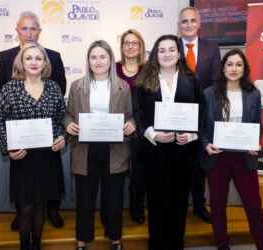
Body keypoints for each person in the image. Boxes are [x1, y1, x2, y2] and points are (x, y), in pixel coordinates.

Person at [0, 11, 66, 230]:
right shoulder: (9, 86)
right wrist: (8, 146)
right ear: (21, 62)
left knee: (41, 204)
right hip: (22, 154)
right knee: (25, 207)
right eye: (28, 58)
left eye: (38, 58)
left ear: (45, 63)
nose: (33, 62)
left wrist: (62, 136)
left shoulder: (53, 86)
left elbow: (60, 116)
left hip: (46, 153)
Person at [133, 34, 204, 250]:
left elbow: (202, 112)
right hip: (154, 152)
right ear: (155, 54)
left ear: (179, 53)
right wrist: (153, 134)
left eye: (171, 49)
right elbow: (138, 112)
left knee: (179, 204)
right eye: (162, 50)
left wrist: (191, 135)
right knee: (155, 205)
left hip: (183, 152)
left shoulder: (192, 81)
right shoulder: (144, 81)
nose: (167, 54)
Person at [65, 40, 135, 250]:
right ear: (88, 60)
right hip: (85, 151)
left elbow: (130, 116)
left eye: (102, 56)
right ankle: (82, 241)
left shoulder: (123, 87)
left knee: (114, 200)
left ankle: (116, 240)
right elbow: (68, 115)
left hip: (115, 151)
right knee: (84, 202)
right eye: (93, 57)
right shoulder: (77, 86)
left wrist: (131, 125)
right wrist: (69, 125)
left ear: (111, 60)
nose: (98, 61)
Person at [201, 49, 263, 250]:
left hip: (244, 157)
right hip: (218, 157)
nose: (234, 68)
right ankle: (222, 245)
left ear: (244, 68)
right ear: (223, 68)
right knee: (218, 204)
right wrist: (206, 144)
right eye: (229, 64)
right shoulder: (208, 93)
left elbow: (258, 125)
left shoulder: (253, 93)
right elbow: (201, 127)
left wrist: (255, 142)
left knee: (254, 206)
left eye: (238, 64)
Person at [178, 6, 221, 223]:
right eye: (184, 21)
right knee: (177, 162)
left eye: (192, 20)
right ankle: (177, 205)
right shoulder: (170, 47)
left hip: (202, 115)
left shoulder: (212, 48)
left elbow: (215, 82)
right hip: (175, 115)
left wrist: (202, 106)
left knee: (199, 163)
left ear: (199, 23)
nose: (188, 25)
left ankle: (198, 204)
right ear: (179, 25)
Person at [116, 29, 146, 224]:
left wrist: (137, 124)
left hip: (140, 130)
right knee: (115, 174)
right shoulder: (113, 68)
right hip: (114, 129)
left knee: (138, 174)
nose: (130, 46)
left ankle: (136, 209)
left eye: (134, 43)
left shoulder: (148, 69)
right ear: (122, 46)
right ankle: (111, 211)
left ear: (141, 46)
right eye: (126, 43)